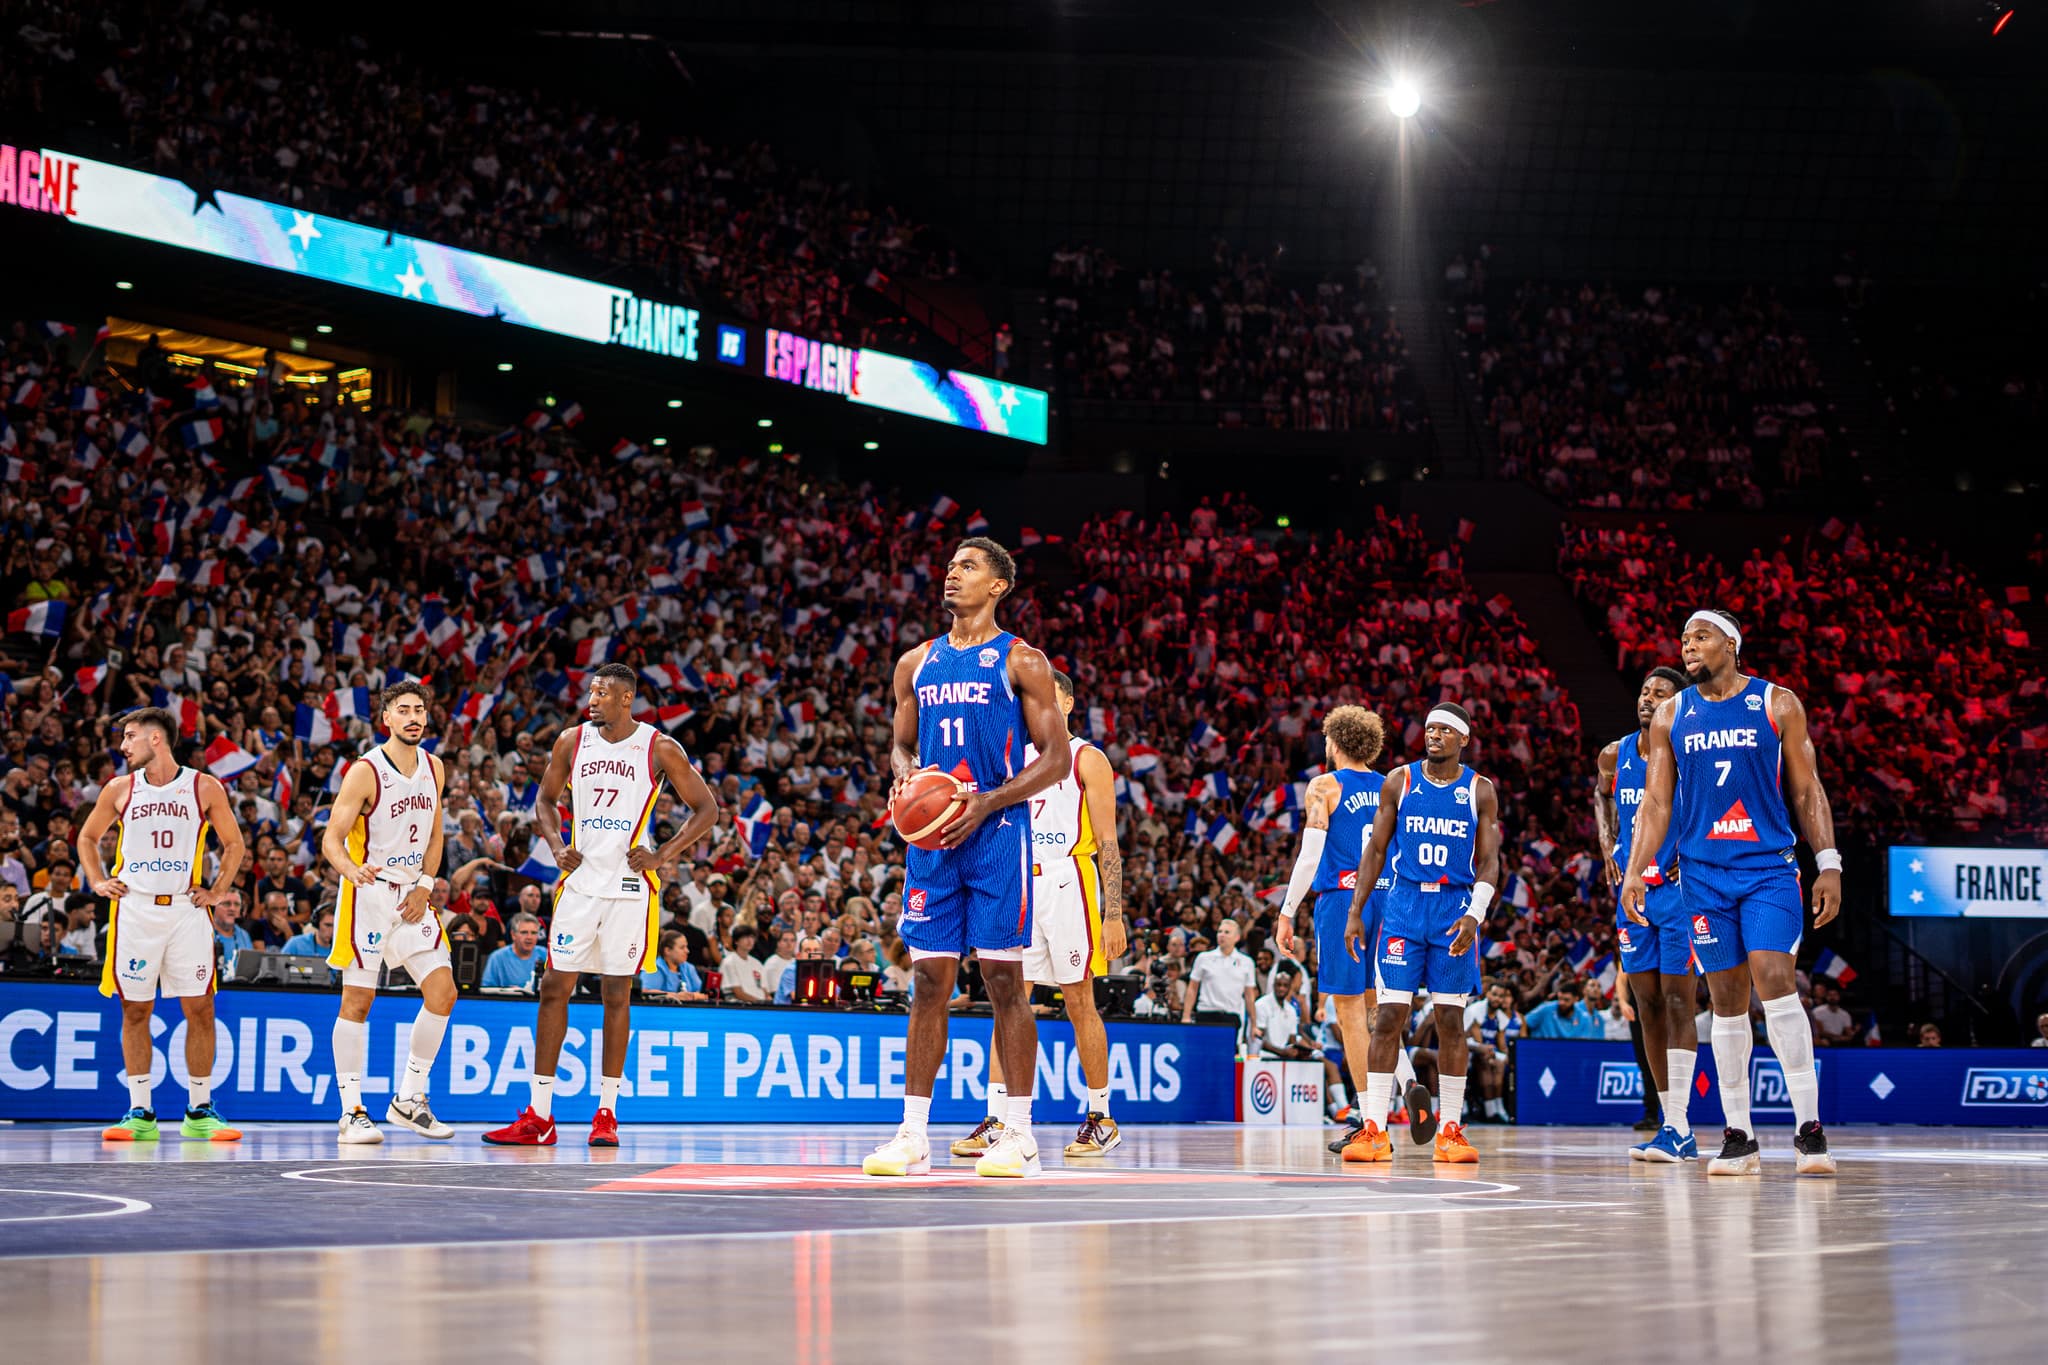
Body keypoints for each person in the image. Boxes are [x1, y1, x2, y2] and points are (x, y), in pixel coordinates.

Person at [863, 538, 1071, 1180]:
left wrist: (987, 803)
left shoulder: (1023, 660)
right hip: (932, 844)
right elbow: (901, 746)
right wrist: (905, 778)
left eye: (969, 566)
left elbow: (1056, 759)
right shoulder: (915, 663)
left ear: (998, 585)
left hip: (997, 833)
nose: (953, 574)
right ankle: (912, 1135)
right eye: (951, 565)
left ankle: (1020, 1134)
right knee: (928, 981)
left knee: (1005, 982)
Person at [1622, 607, 1842, 1177]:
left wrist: (1829, 862)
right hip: (1702, 875)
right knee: (1724, 1000)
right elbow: (1656, 803)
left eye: (1701, 637)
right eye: (1685, 639)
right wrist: (1636, 869)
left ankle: (1810, 1130)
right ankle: (1739, 1136)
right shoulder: (1672, 714)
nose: (1689, 646)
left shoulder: (1777, 703)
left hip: (1767, 868)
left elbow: (1807, 788)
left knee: (1774, 981)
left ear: (1731, 644)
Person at [486, 663, 721, 1147]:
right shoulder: (571, 741)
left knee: (617, 994)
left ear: (626, 698)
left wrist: (662, 854)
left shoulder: (658, 747)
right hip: (580, 882)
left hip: (630, 887)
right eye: (591, 692)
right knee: (554, 987)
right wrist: (556, 846)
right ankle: (540, 1116)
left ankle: (607, 1113)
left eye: (601, 693)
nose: (591, 700)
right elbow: (545, 801)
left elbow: (707, 809)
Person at [961, 671, 1129, 1161]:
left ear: (1069, 703)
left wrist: (1114, 913)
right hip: (1017, 882)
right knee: (1009, 1000)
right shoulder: (1012, 757)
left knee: (1079, 1000)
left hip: (1068, 880)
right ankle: (999, 1120)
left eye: (1050, 696)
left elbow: (1109, 841)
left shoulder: (1087, 757)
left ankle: (1101, 1117)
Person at [75, 707, 249, 1141]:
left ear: (156, 739)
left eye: (129, 736)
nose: (123, 745)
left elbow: (234, 844)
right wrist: (97, 881)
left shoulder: (203, 786)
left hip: (186, 910)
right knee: (135, 1010)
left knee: (201, 1008)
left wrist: (218, 891)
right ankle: (140, 1111)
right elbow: (87, 837)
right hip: (135, 910)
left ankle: (200, 1110)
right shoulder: (119, 788)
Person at [1344, 703, 1501, 1164]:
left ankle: (1450, 1130)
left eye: (1445, 730)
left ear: (1463, 739)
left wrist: (1475, 914)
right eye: (1430, 728)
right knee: (1388, 1017)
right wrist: (1356, 910)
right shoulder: (1400, 780)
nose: (1434, 734)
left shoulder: (1479, 790)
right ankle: (1374, 1129)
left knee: (1451, 1022)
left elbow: (1490, 861)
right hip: (1404, 907)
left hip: (1453, 908)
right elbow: (1375, 850)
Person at [1275, 705, 1432, 1153]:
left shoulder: (1325, 785)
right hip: (1389, 900)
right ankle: (1407, 1080)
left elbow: (1310, 854)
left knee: (1348, 1014)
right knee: (1374, 1009)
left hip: (1345, 901)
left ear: (1334, 742)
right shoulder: (1393, 786)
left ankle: (1371, 1121)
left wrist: (1287, 911)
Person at [320, 682, 458, 1143]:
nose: (413, 717)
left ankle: (409, 1100)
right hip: (369, 894)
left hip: (412, 895)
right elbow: (331, 838)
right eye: (403, 710)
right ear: (387, 719)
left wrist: (426, 885)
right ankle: (351, 1112)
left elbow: (436, 834)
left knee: (443, 992)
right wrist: (350, 870)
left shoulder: (435, 767)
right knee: (358, 1002)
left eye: (419, 709)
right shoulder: (365, 771)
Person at [1594, 666, 1698, 1162]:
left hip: (1677, 893)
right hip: (1633, 894)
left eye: (1660, 693)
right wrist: (1606, 843)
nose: (1648, 699)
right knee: (1647, 1006)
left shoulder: (1686, 752)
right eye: (1644, 691)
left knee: (1678, 1003)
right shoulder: (1614, 754)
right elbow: (1601, 795)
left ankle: (1680, 1121)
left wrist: (1692, 851)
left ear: (1676, 704)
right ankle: (1667, 1121)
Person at [1183, 918, 1258, 1033]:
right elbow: (1192, 988)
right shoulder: (1203, 958)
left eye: (1227, 932)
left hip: (1231, 1015)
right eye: (1220, 931)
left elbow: (1249, 996)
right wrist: (1186, 1016)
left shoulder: (1247, 962)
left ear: (1237, 938)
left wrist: (1254, 1024)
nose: (1222, 935)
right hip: (1206, 1013)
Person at [1254, 964, 1318, 1059]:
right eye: (1279, 985)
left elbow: (1292, 1040)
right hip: (1263, 1057)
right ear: (1273, 985)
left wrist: (1300, 1052)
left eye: (1285, 985)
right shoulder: (1261, 1005)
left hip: (1284, 1058)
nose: (1281, 988)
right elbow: (1258, 1039)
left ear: (1289, 987)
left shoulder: (1291, 1010)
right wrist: (1282, 1052)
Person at [1523, 977, 1606, 1039]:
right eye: (1560, 999)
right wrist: (1525, 1042)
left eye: (1566, 1000)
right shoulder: (1546, 1008)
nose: (1561, 1003)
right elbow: (1523, 1022)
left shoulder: (1584, 1018)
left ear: (1575, 999)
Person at [641, 929, 707, 1001]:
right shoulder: (654, 968)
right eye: (682, 947)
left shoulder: (688, 967)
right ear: (667, 950)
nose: (687, 951)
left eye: (686, 947)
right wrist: (677, 996)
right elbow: (646, 992)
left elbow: (703, 993)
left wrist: (691, 996)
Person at [483, 912, 545, 987]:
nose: (529, 937)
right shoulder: (497, 958)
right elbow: (486, 988)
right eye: (524, 932)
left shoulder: (546, 954)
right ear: (513, 935)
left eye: (534, 933)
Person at [720, 923, 769, 1000]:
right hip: (741, 1004)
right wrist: (759, 1003)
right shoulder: (729, 962)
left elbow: (765, 990)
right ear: (736, 941)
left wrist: (769, 1002)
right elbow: (738, 993)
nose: (749, 940)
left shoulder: (757, 963)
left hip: (760, 1003)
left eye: (752, 937)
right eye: (745, 937)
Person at [774, 934, 827, 1003]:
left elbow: (835, 995)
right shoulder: (790, 971)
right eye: (807, 950)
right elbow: (798, 997)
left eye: (816, 950)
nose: (812, 954)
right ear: (799, 956)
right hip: (788, 1009)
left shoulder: (826, 970)